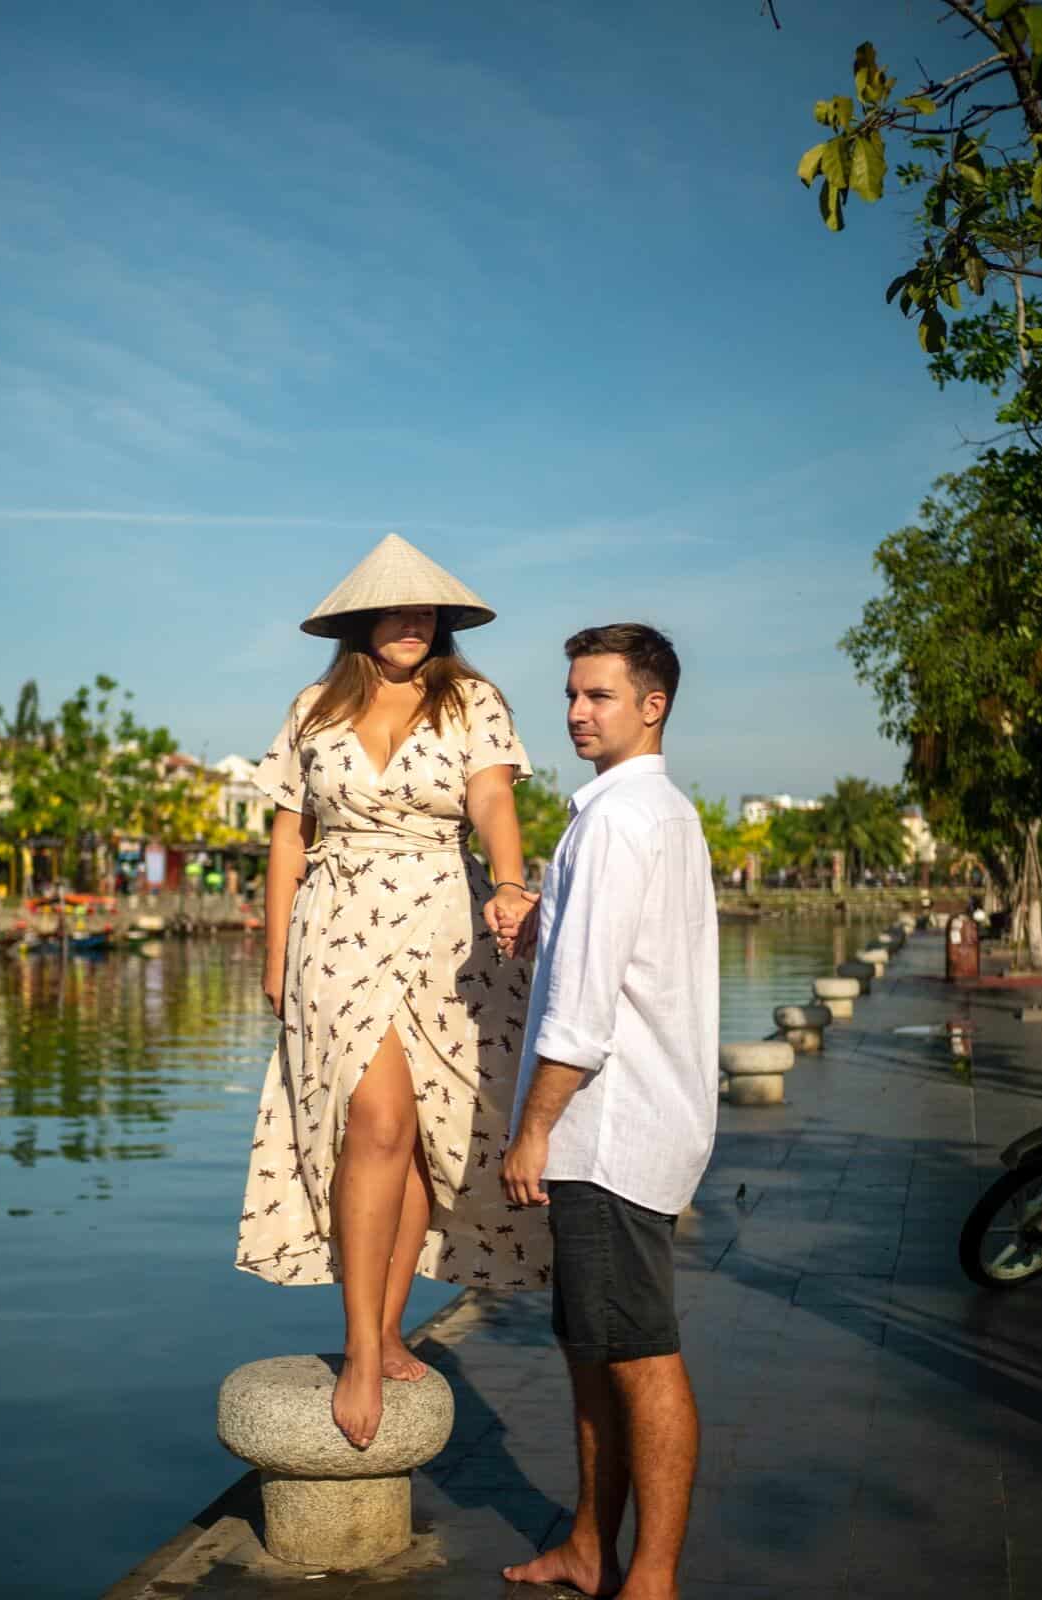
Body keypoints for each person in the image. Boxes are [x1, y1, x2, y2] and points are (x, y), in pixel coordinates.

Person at [236, 533, 549, 1450]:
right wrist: (273, 946)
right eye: (395, 609)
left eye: (426, 611)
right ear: (361, 620)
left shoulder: (473, 701)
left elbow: (493, 800)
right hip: (333, 928)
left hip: (445, 926)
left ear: (441, 621)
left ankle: (384, 1325)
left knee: (421, 1130)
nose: (412, 623)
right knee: (371, 1120)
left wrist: (507, 879)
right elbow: (288, 837)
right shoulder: (312, 708)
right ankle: (359, 1352)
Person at [500, 623, 719, 1600]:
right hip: (627, 1124)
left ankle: (654, 1577)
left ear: (652, 704)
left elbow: (582, 1017)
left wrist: (533, 1128)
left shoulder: (620, 820)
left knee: (640, 1356)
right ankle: (592, 1549)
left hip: (609, 1133)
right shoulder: (654, 813)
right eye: (572, 694)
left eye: (597, 695)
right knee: (594, 1349)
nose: (576, 711)